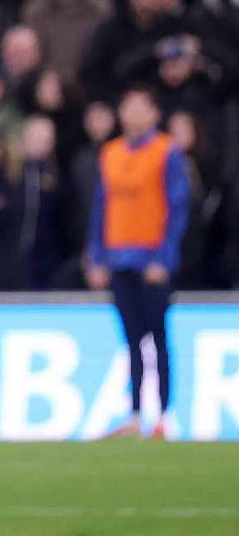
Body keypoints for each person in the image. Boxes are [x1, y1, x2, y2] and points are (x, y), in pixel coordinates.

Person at [86, 86, 189, 440]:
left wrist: (164, 256)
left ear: (154, 113)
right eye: (126, 106)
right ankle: (133, 414)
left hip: (151, 259)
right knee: (131, 340)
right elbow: (101, 207)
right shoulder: (110, 153)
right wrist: (97, 255)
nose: (131, 113)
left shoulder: (166, 152)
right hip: (119, 259)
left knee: (158, 338)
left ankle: (162, 416)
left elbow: (177, 209)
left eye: (138, 106)